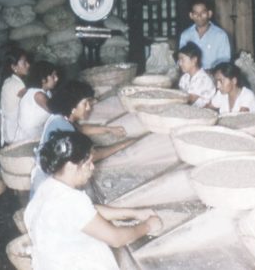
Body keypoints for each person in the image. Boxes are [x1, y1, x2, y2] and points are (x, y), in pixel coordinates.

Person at [24, 131, 162, 270]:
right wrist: (148, 226)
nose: (93, 167)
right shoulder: (71, 201)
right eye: (88, 163)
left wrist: (133, 213)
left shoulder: (47, 187)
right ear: (72, 167)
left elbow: (88, 211)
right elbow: (116, 238)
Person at [30, 80, 136, 196]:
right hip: (49, 188)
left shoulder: (60, 117)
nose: (88, 107)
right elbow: (92, 156)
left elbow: (79, 128)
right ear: (73, 107)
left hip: (48, 178)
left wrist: (108, 129)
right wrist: (122, 145)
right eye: (85, 103)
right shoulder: (62, 125)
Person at [179, 0, 231, 70]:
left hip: (213, 76)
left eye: (203, 13)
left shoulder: (220, 35)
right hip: (192, 75)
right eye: (195, 13)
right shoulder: (185, 35)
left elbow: (224, 63)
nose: (199, 16)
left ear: (209, 14)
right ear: (191, 15)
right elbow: (182, 59)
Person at [12, 61, 58, 143]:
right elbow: (57, 112)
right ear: (43, 79)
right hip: (26, 139)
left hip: (37, 134)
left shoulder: (47, 92)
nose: (57, 78)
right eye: (53, 76)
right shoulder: (38, 95)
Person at [0, 47, 31, 146]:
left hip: (9, 132)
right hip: (16, 134)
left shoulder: (9, 81)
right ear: (14, 67)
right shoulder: (17, 85)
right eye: (24, 62)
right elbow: (33, 99)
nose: (28, 65)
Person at [177, 42, 216, 107]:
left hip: (203, 112)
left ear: (194, 60)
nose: (179, 63)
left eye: (182, 60)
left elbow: (188, 101)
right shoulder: (185, 77)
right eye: (179, 60)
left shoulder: (202, 79)